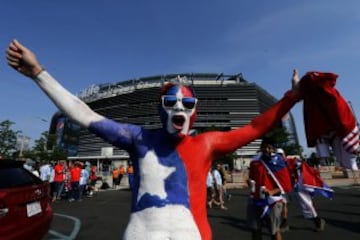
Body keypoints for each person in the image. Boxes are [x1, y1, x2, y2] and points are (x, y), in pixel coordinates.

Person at [6, 39, 301, 240]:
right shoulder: (138, 138)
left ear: (195, 111)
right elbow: (84, 113)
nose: (179, 109)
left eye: (187, 104)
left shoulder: (207, 144)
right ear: (160, 109)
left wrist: (293, 96)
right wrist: (38, 73)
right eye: (171, 102)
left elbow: (256, 127)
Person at [277, 148, 331, 232]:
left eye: (281, 154)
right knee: (283, 203)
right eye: (278, 155)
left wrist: (297, 160)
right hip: (284, 186)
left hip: (297, 185)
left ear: (284, 154)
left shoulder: (291, 160)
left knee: (306, 204)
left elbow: (302, 166)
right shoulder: (276, 164)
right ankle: (284, 223)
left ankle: (317, 220)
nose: (280, 156)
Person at [246, 143, 293, 240]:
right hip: (255, 199)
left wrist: (272, 191)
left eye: (269, 147)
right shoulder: (255, 162)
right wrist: (250, 183)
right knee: (255, 230)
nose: (266, 149)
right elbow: (251, 178)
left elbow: (286, 184)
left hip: (272, 201)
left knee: (274, 231)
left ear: (274, 149)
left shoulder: (279, 162)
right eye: (264, 147)